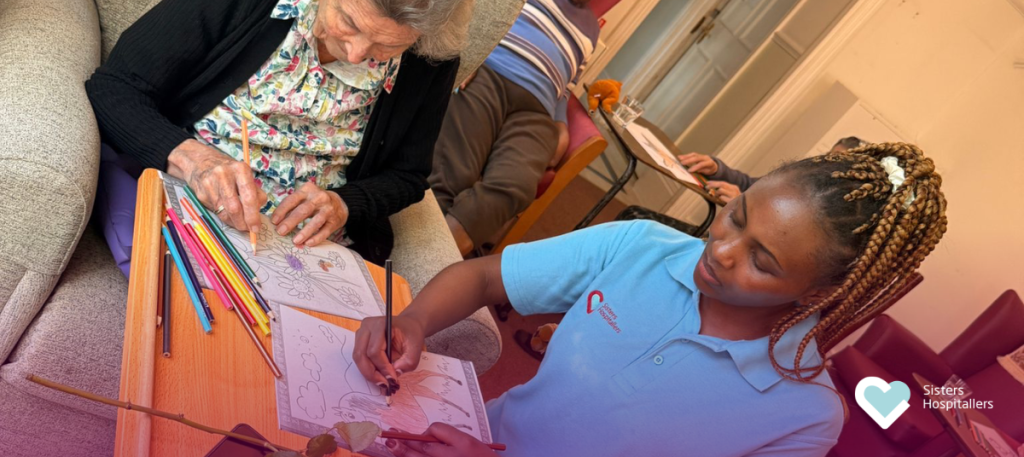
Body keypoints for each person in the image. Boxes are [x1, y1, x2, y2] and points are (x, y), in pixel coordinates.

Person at [353, 142, 947, 457]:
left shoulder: (802, 418)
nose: (720, 250)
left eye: (762, 261)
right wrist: (413, 320)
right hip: (460, 437)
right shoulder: (642, 246)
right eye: (733, 217)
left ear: (819, 293)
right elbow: (485, 279)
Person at [85, 0, 482, 264]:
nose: (359, 54)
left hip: (310, 257)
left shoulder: (432, 48)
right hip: (192, 212)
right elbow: (115, 88)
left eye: (388, 46)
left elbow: (408, 175)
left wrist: (346, 204)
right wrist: (194, 161)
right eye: (348, 20)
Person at [429, 0, 621, 256]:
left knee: (516, 185)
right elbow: (473, 6)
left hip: (536, 112)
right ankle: (416, 252)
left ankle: (433, 255)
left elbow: (566, 86)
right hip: (489, 74)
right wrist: (472, 51)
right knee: (454, 170)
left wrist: (560, 124)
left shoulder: (591, 29)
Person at [680, 136, 865, 204]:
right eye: (829, 157)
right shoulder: (803, 178)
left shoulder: (834, 210)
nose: (828, 165)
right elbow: (750, 185)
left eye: (838, 164)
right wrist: (716, 169)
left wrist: (744, 206)